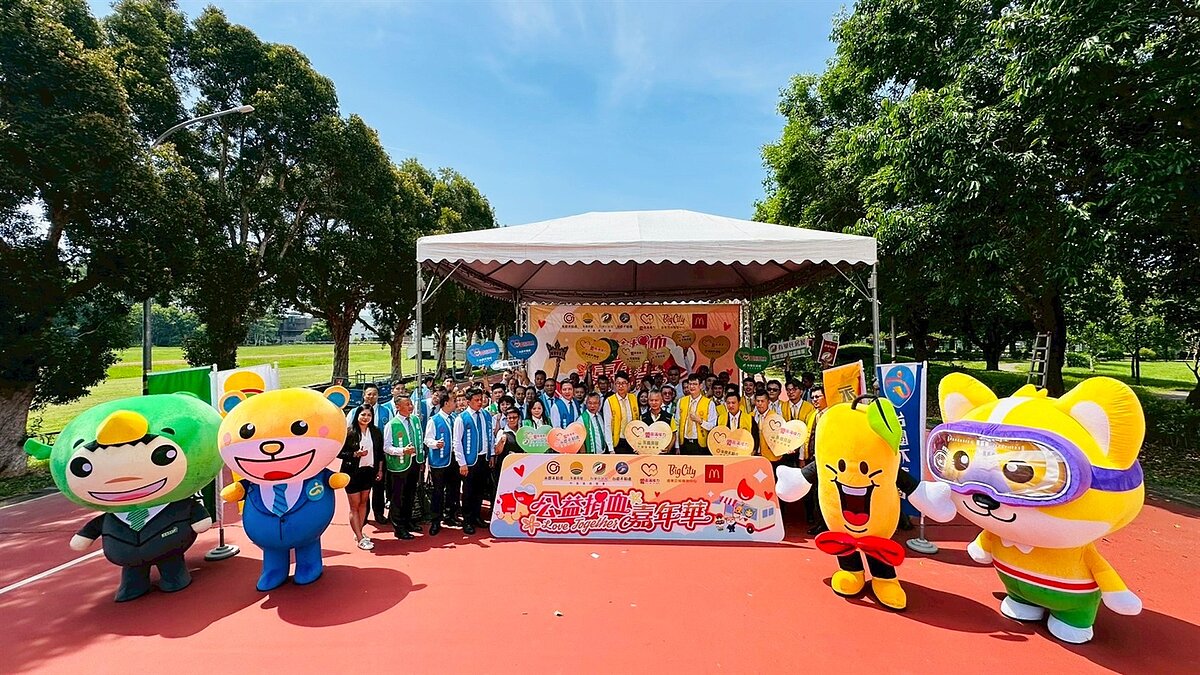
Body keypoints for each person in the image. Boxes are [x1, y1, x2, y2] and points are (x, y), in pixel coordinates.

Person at [338, 405, 382, 550]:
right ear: (357, 415)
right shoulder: (350, 432)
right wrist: (354, 454)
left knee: (364, 502)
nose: (365, 418)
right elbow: (339, 452)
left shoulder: (375, 432)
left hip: (368, 471)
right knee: (354, 505)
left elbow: (380, 453)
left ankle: (359, 532)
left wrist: (380, 470)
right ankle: (360, 537)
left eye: (368, 415)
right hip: (352, 473)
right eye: (363, 414)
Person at [452, 387, 493, 535]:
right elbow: (456, 442)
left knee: (480, 490)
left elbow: (490, 436)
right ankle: (467, 520)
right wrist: (461, 463)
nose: (479, 402)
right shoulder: (461, 418)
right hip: (469, 461)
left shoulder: (486, 415)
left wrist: (492, 454)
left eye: (481, 399)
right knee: (468, 491)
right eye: (476, 400)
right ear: (468, 402)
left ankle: (477, 516)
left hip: (484, 457)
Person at [383, 397, 424, 540]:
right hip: (399, 465)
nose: (410, 406)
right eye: (407, 404)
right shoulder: (392, 424)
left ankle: (408, 521)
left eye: (410, 404)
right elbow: (387, 447)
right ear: (398, 407)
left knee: (410, 494)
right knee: (398, 497)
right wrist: (402, 451)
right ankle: (398, 527)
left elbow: (420, 438)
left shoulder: (415, 420)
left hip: (414, 462)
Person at [424, 392, 456, 536]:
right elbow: (427, 439)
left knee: (453, 489)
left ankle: (450, 515)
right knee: (438, 491)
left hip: (453, 460)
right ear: (446, 403)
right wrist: (436, 444)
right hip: (439, 461)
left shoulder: (455, 418)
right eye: (453, 401)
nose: (455, 403)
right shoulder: (434, 420)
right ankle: (435, 520)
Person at [676, 374, 716, 455]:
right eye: (690, 384)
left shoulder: (709, 403)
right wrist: (677, 446)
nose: (692, 387)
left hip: (700, 444)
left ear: (701, 386)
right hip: (684, 443)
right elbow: (677, 423)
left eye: (695, 384)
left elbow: (712, 425)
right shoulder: (681, 401)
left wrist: (700, 421)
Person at [602, 371, 638, 453]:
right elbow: (607, 426)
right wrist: (610, 448)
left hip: (632, 441)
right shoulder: (609, 401)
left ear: (628, 385)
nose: (620, 386)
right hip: (618, 442)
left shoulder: (633, 398)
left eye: (623, 383)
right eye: (618, 383)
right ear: (614, 385)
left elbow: (637, 421)